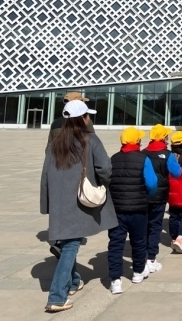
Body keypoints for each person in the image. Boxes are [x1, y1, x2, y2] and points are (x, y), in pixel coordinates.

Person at [40, 100, 116, 313]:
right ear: (82, 118)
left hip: (59, 200)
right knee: (71, 244)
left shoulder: (56, 143)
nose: (89, 118)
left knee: (67, 242)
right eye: (87, 115)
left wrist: (47, 201)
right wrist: (103, 183)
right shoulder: (90, 139)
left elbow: (45, 173)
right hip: (78, 201)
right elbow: (105, 168)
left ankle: (73, 281)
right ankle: (57, 296)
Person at [107, 127, 158, 295]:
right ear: (137, 142)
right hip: (138, 208)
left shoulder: (113, 159)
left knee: (116, 244)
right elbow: (152, 183)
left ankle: (115, 280)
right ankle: (137, 272)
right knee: (139, 241)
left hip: (117, 209)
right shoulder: (143, 159)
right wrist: (145, 194)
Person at [143, 124, 182, 274]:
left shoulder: (143, 153)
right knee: (155, 226)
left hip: (144, 195)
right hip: (159, 196)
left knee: (144, 225)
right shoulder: (167, 154)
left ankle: (142, 254)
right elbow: (177, 173)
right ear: (163, 138)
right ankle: (151, 258)